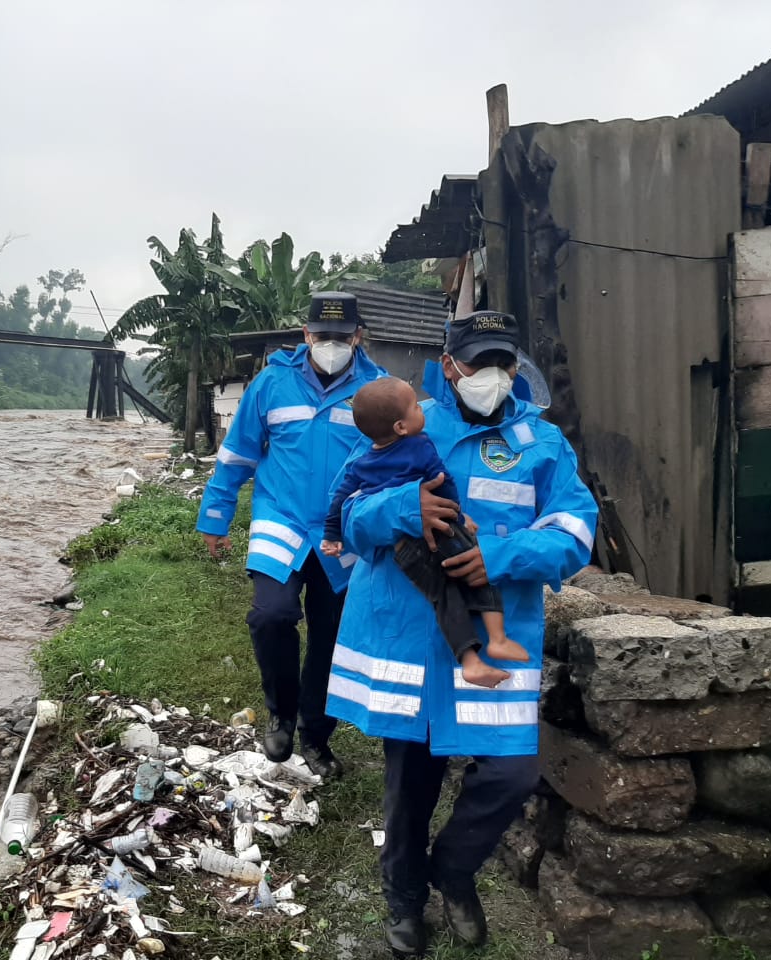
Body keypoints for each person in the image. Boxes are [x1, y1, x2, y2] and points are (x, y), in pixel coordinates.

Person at [325, 310, 597, 956]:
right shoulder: (405, 421)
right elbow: (349, 515)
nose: (493, 374)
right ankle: (403, 898)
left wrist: (498, 556)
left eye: (504, 361)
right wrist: (404, 508)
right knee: (408, 787)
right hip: (413, 642)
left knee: (512, 775)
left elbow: (575, 532)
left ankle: (452, 869)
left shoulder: (542, 443)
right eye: (480, 362)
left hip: (499, 638)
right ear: (449, 366)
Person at [196, 291, 387, 780]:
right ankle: (280, 712)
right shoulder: (271, 383)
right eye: (321, 335)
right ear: (306, 334)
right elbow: (238, 453)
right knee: (271, 615)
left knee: (331, 634)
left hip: (343, 530)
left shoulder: (377, 389)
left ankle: (315, 735)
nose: (330, 344)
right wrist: (215, 517)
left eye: (340, 336)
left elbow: (392, 462)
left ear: (357, 337)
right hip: (280, 519)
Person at [319, 376, 529, 688]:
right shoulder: (420, 446)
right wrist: (460, 517)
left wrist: (331, 534)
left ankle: (470, 661)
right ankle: (497, 639)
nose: (422, 410)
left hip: (405, 548)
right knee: (478, 569)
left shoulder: (362, 463)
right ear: (401, 427)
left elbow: (339, 500)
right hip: (441, 532)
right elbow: (442, 481)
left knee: (444, 595)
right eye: (416, 407)